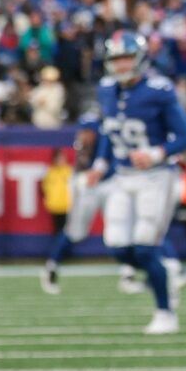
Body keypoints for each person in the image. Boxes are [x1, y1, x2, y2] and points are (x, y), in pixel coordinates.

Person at [91, 31, 186, 332]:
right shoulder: (106, 89)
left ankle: (165, 313)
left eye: (126, 58)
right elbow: (109, 133)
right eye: (116, 59)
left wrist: (156, 153)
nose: (122, 65)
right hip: (122, 177)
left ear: (139, 58)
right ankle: (167, 274)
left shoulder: (158, 89)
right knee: (118, 247)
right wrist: (100, 163)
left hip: (156, 176)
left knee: (145, 247)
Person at [41, 104, 110, 294]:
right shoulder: (85, 144)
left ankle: (128, 273)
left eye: (88, 131)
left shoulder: (103, 139)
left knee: (118, 227)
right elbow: (89, 169)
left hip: (103, 184)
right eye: (84, 131)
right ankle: (52, 266)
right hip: (85, 184)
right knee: (75, 232)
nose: (85, 135)